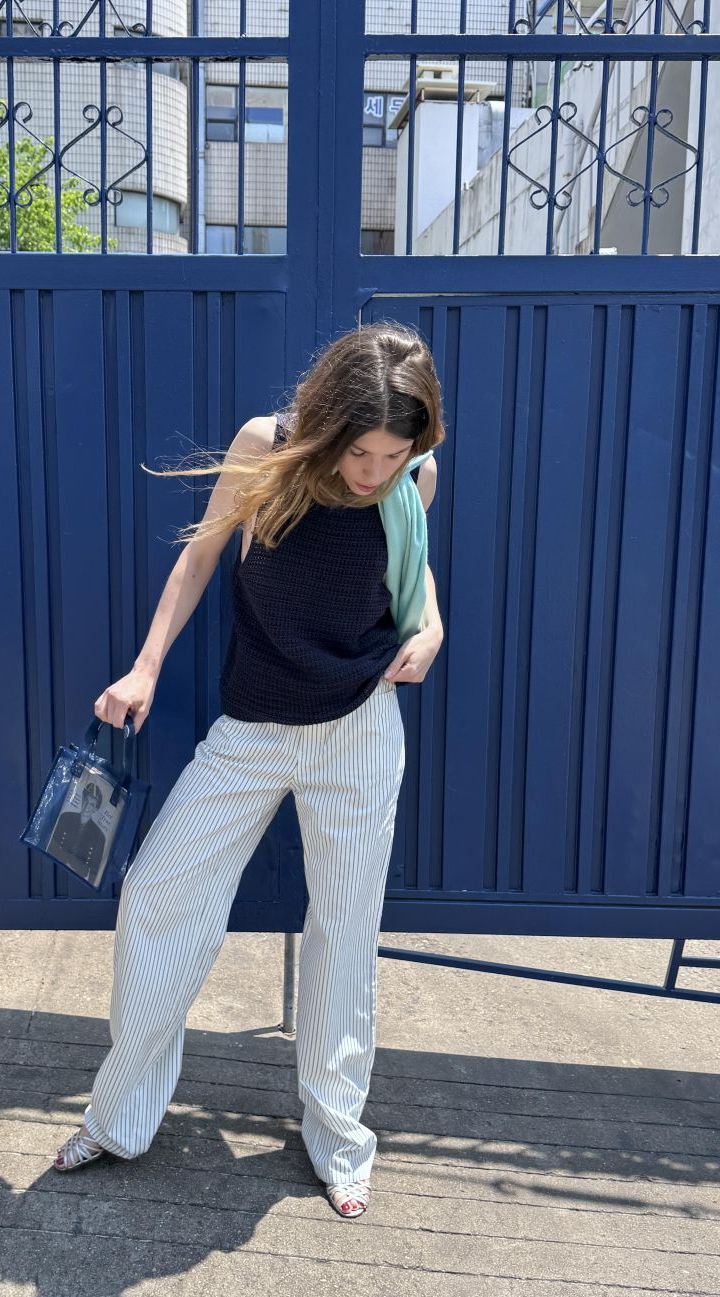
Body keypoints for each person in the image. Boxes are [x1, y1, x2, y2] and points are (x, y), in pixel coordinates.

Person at [53, 320, 446, 1219]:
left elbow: (421, 589)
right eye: (361, 452)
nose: (375, 472)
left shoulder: (414, 478)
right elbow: (198, 560)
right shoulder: (265, 448)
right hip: (255, 722)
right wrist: (145, 667)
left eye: (394, 455)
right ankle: (119, 1116)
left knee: (345, 930)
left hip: (359, 728)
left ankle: (339, 1137)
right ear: (329, 422)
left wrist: (429, 635)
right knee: (157, 892)